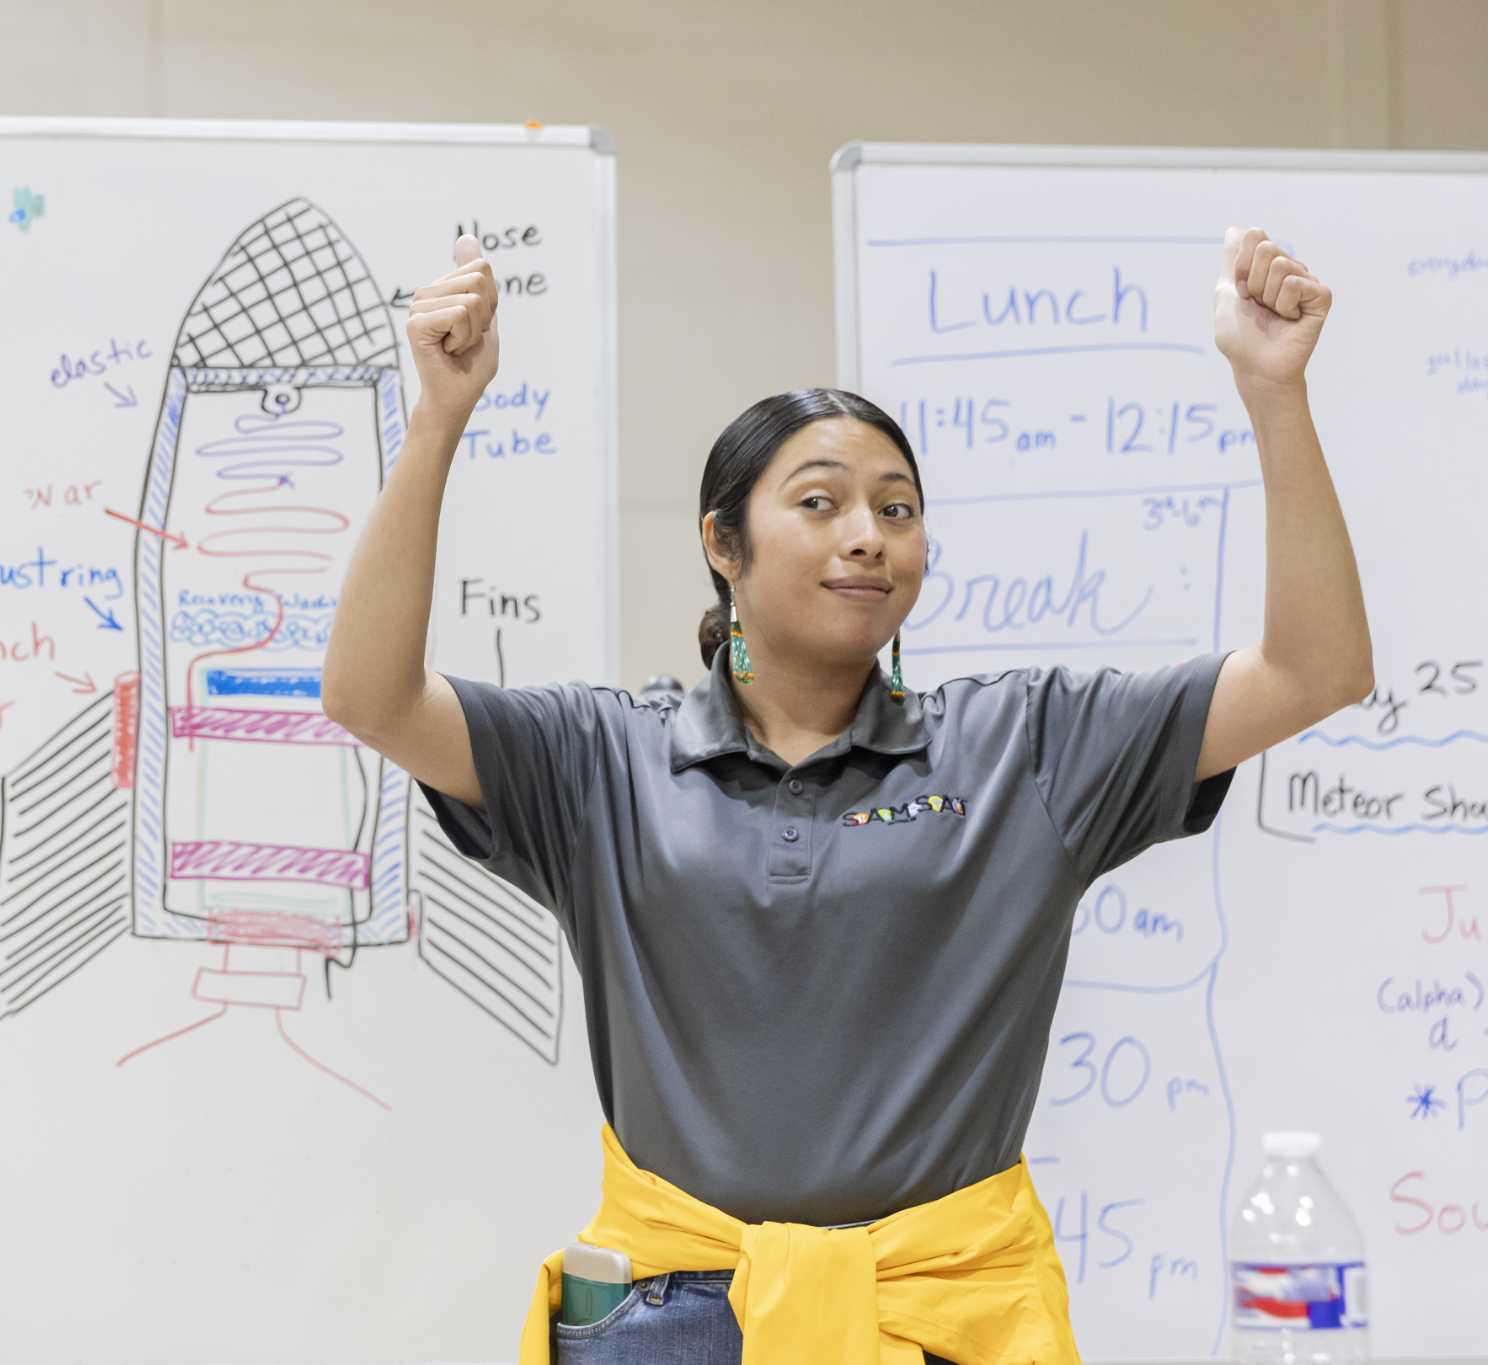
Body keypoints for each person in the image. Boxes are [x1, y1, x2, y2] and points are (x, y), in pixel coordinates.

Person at [320, 230, 1371, 1364]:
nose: (867, 537)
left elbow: (1313, 673)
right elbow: (370, 696)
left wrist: (1273, 392)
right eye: (818, 504)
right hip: (669, 1320)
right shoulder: (597, 757)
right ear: (721, 542)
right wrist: (436, 419)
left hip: (941, 1321)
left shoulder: (1027, 741)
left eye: (897, 509)